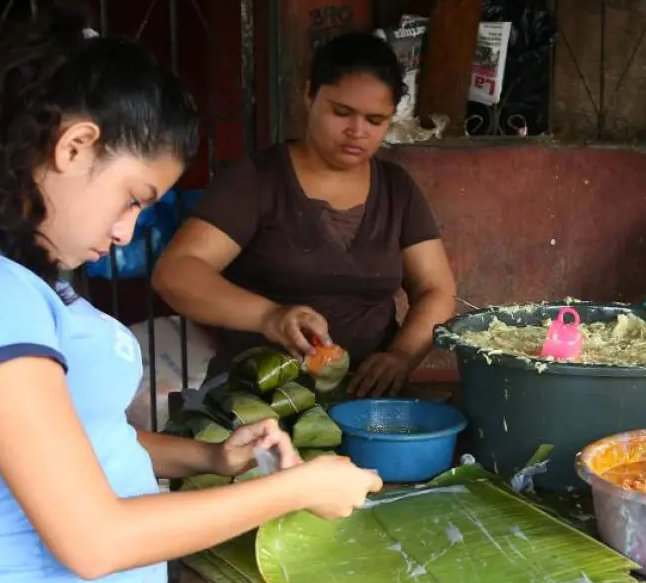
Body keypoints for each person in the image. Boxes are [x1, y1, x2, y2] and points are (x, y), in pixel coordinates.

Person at [0, 5, 382, 583]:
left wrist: (210, 458)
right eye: (132, 199)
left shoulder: (2, 266)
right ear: (75, 145)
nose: (126, 232)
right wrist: (298, 488)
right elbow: (92, 538)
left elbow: (74, 440)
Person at [152, 31, 457, 399]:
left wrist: (401, 356)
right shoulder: (256, 181)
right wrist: (269, 317)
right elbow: (176, 271)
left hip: (369, 405)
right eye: (341, 112)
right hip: (262, 401)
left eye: (375, 120)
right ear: (310, 94)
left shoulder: (396, 189)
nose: (356, 132)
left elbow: (435, 288)